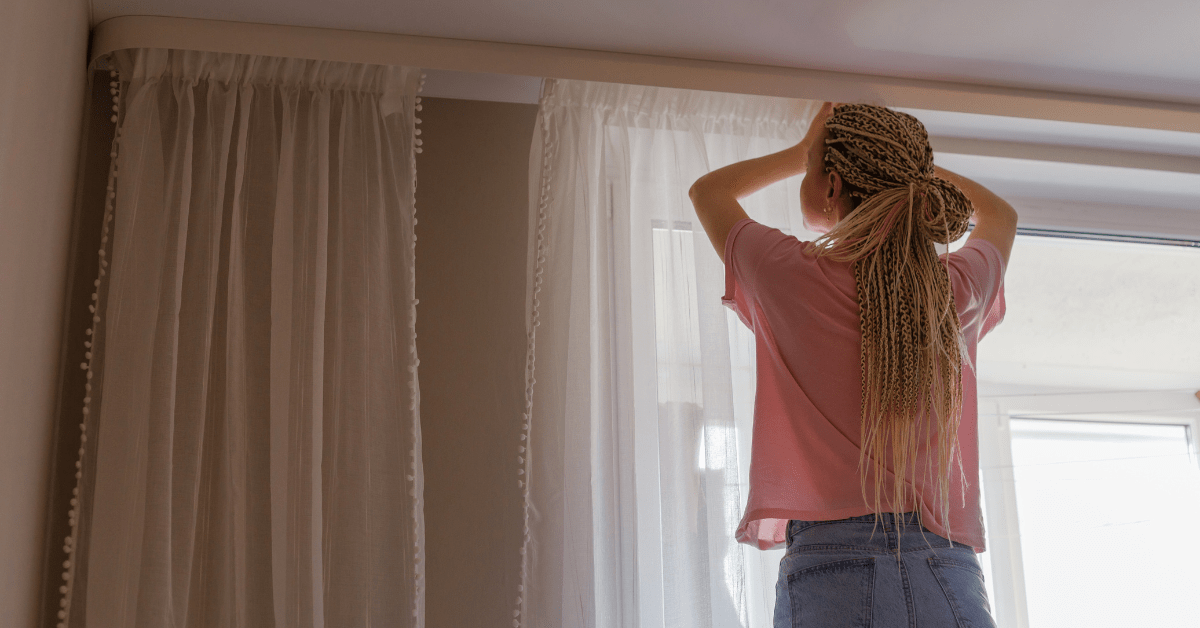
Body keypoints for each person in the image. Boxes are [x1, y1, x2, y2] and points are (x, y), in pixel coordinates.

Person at [688, 102, 1016, 628]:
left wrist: (800, 151)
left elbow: (708, 192)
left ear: (832, 184)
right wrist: (910, 171)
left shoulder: (786, 273)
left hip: (832, 567)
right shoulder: (956, 289)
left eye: (816, 166)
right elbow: (1001, 215)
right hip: (946, 569)